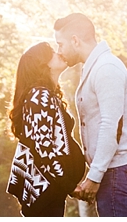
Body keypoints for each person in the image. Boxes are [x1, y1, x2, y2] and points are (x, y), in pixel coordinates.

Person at [54, 13, 127, 217]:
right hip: (114, 171)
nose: (59, 51)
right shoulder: (94, 67)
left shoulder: (106, 68)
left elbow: (111, 126)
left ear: (75, 40)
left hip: (118, 171)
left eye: (60, 44)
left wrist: (94, 177)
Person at [7, 41, 86, 217]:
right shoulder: (39, 96)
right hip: (45, 192)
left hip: (50, 191)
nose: (59, 52)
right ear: (42, 64)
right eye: (51, 52)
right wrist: (69, 185)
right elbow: (44, 151)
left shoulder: (44, 95)